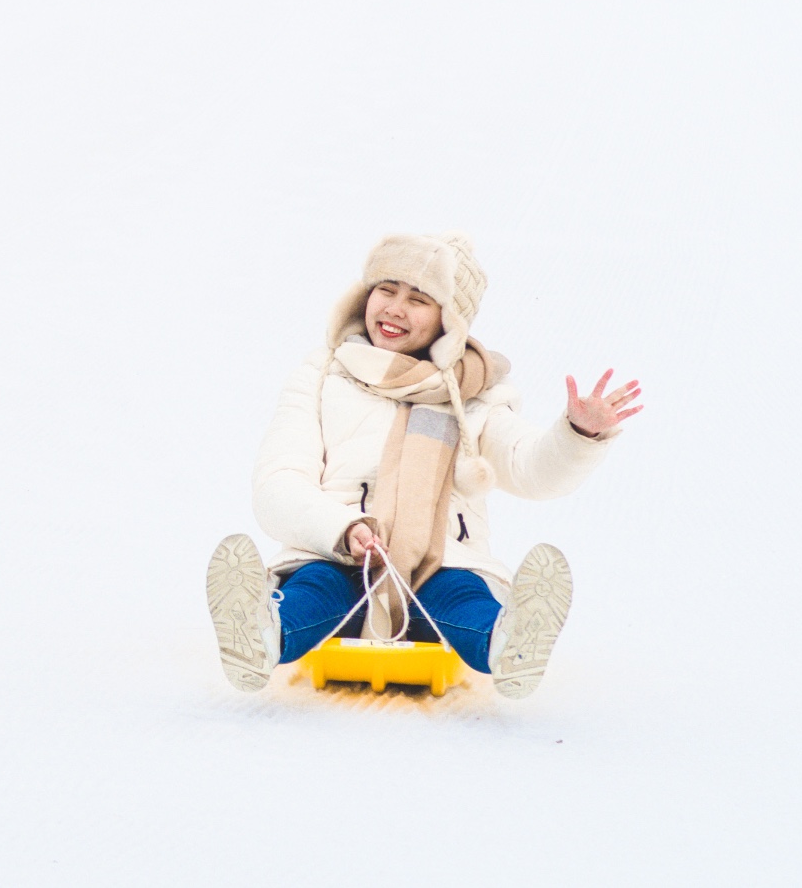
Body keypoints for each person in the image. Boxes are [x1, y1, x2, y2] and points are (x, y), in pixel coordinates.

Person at [204, 232, 643, 699]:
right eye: (386, 289)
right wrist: (344, 528)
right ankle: (260, 635)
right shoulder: (322, 375)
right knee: (315, 589)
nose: (395, 308)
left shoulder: (474, 394)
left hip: (440, 560)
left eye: (418, 299)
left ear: (447, 321)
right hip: (336, 549)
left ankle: (510, 643)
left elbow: (530, 469)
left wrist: (578, 433)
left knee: (463, 597)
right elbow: (278, 482)